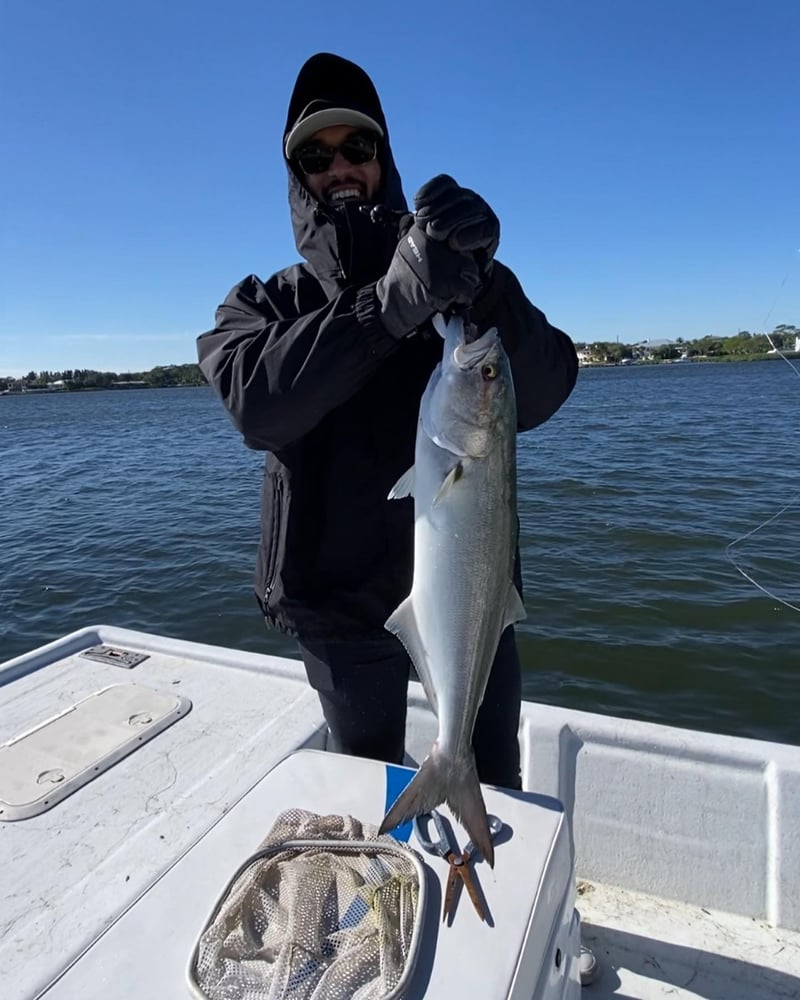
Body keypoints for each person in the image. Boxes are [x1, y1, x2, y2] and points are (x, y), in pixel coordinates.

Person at [197, 52, 578, 793]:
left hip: (473, 590)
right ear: (296, 176)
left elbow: (547, 387)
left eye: (357, 147)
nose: (338, 166)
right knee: (365, 799)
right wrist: (386, 307)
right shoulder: (265, 305)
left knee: (493, 782)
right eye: (315, 154)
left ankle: (480, 872)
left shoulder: (458, 285)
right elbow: (256, 402)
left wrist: (488, 282)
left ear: (385, 156)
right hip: (338, 611)